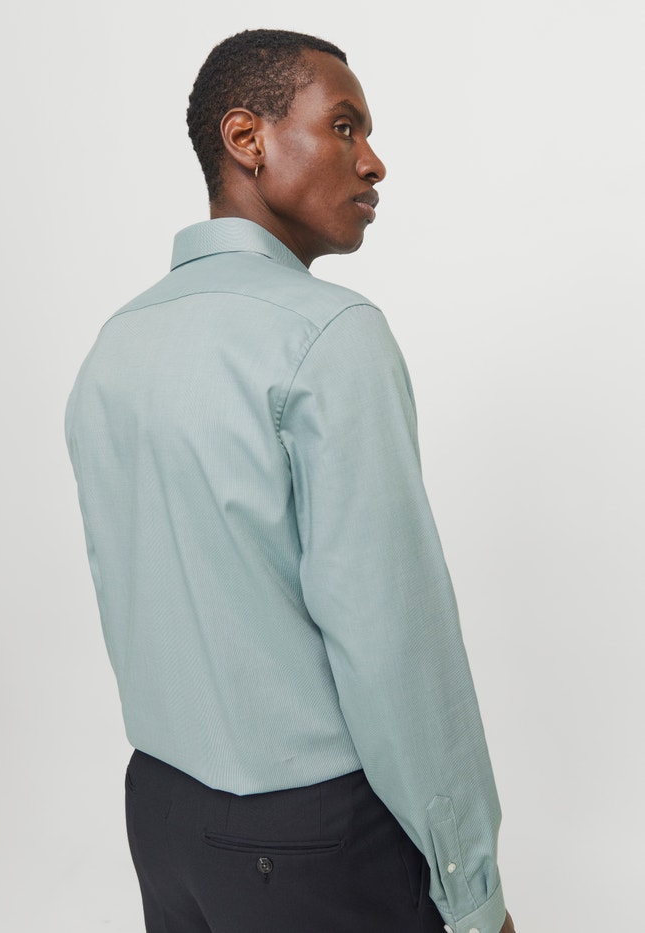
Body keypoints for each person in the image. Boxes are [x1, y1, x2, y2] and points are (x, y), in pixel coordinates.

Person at [65, 28, 516, 933]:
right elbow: (396, 642)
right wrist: (472, 892)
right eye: (344, 126)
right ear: (248, 138)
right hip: (314, 842)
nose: (373, 161)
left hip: (163, 817)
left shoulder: (116, 344)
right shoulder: (329, 335)